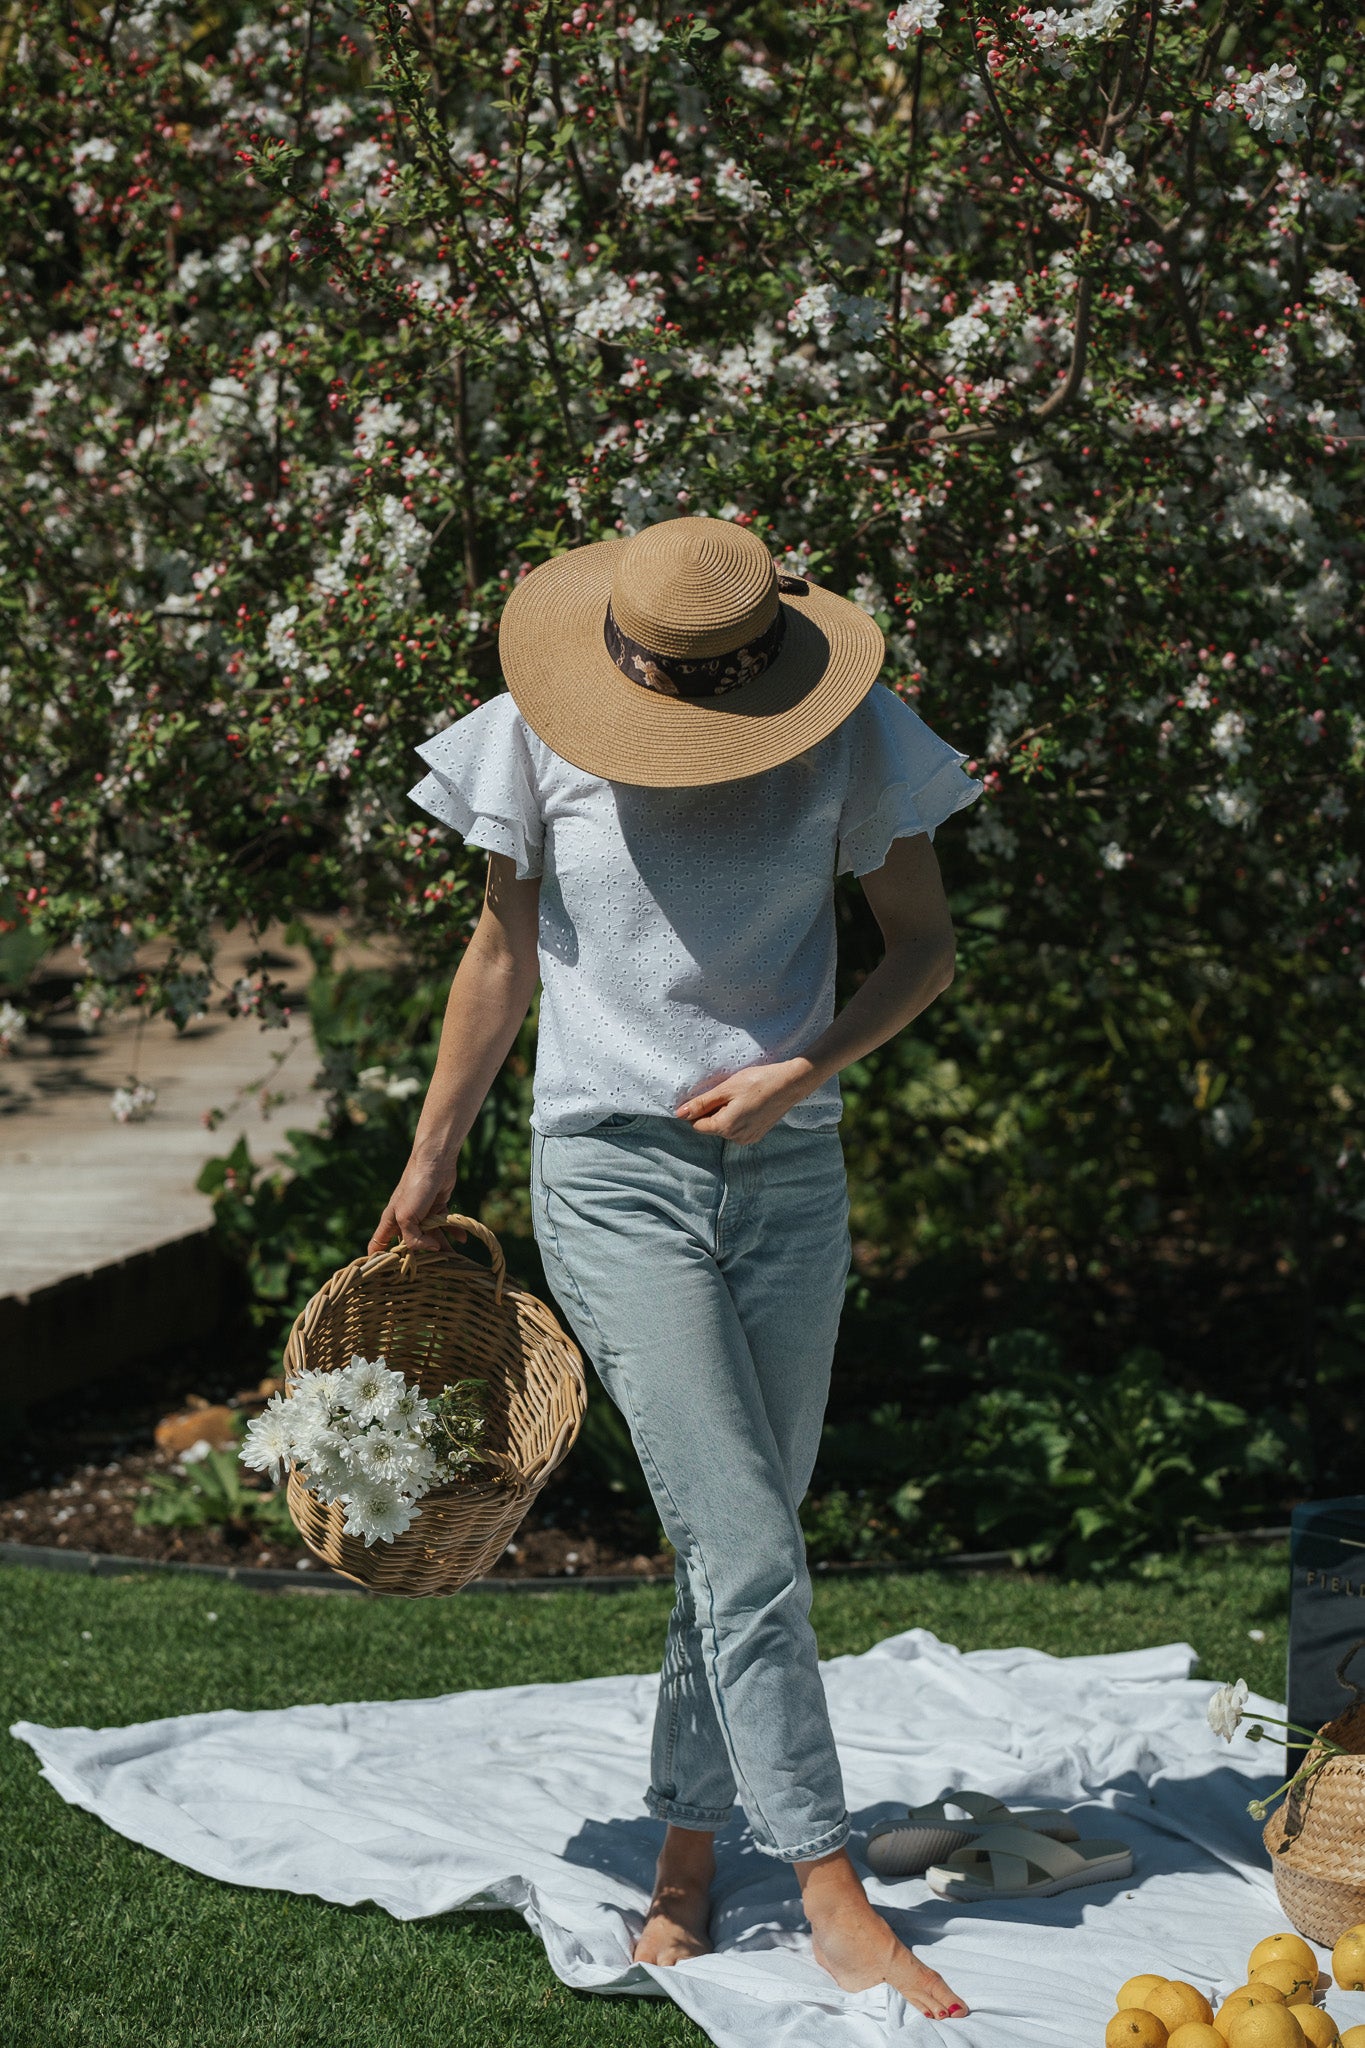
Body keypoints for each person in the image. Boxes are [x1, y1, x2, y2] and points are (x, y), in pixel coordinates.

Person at [370, 516, 981, 2020]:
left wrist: (803, 1067)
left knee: (741, 1533)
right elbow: (501, 950)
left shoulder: (848, 731)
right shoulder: (536, 731)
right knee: (747, 1539)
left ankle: (690, 1860)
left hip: (790, 1171)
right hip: (613, 1177)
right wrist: (431, 1158)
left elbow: (919, 947)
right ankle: (828, 1891)